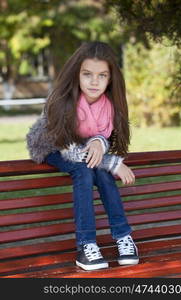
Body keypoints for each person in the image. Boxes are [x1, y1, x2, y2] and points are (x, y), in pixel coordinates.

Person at [26, 41, 139, 271]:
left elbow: (100, 136)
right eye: (87, 74)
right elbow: (70, 150)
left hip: (82, 148)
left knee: (103, 175)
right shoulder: (62, 102)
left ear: (110, 79)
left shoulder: (108, 105)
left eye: (102, 75)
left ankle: (123, 236)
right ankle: (86, 245)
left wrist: (98, 142)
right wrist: (113, 162)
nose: (94, 81)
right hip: (54, 146)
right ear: (76, 74)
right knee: (85, 170)